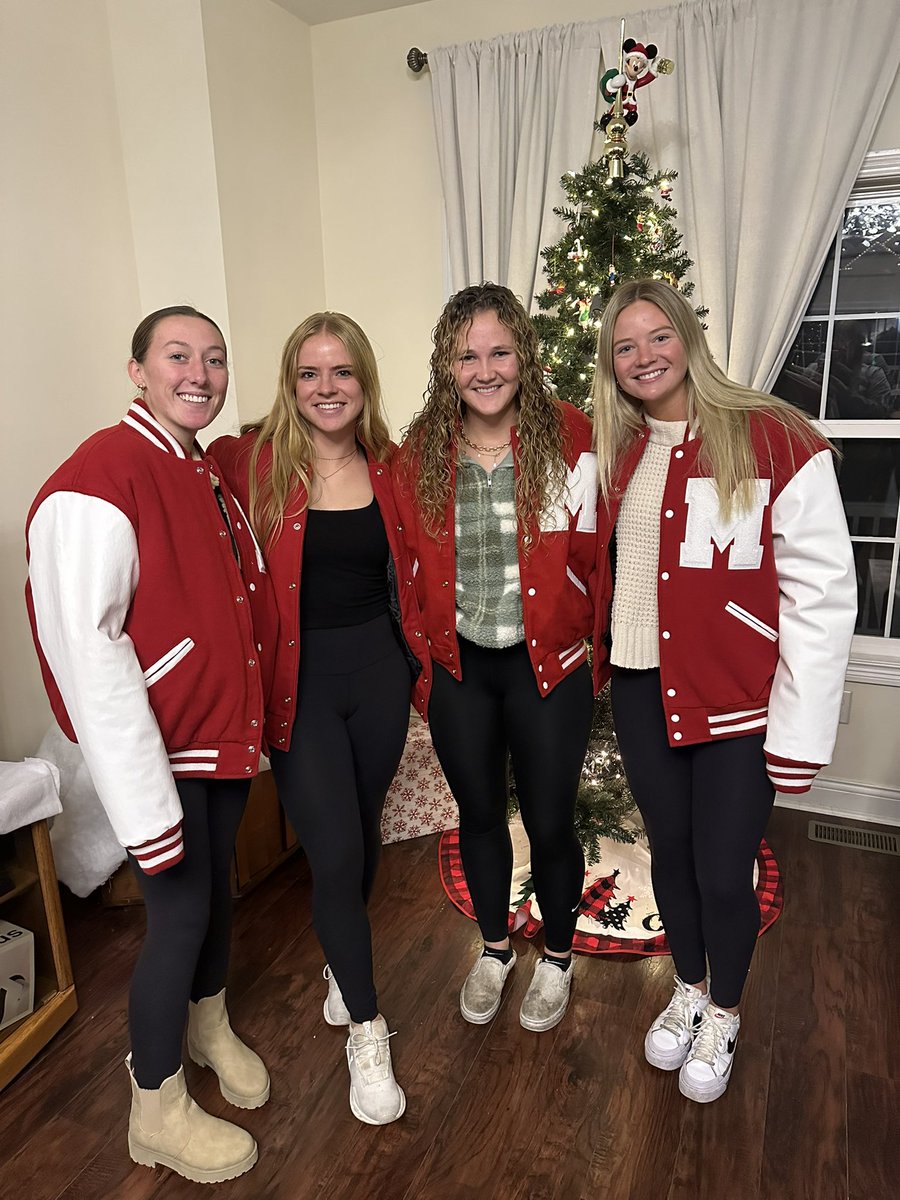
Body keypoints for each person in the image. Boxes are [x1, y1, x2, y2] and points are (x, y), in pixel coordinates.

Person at [590, 279, 857, 1103]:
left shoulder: (773, 438)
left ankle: (726, 1012)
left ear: (689, 338)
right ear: (610, 363)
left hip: (738, 705)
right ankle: (689, 988)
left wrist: (799, 734)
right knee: (669, 858)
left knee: (721, 868)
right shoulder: (620, 450)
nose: (644, 357)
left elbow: (821, 596)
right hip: (642, 691)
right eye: (625, 346)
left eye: (658, 336)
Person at [26, 306, 276, 1184]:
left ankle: (207, 1024)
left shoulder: (198, 468)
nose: (198, 374)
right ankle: (156, 1107)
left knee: (214, 901)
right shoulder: (102, 474)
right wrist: (143, 807)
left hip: (215, 737)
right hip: (161, 751)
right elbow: (87, 654)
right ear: (137, 370)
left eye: (214, 358)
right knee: (176, 917)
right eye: (178, 356)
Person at [209, 313, 428, 1127]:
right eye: (310, 373)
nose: (326, 388)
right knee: (332, 852)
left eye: (342, 372)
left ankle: (343, 965)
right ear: (290, 383)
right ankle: (367, 1033)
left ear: (363, 380)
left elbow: (424, 570)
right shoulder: (247, 462)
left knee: (361, 838)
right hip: (298, 688)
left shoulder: (395, 467)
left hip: (379, 680)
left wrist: (420, 668)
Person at [393, 283, 597, 1034]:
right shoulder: (420, 451)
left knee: (550, 821)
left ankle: (559, 958)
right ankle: (494, 949)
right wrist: (423, 659)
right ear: (447, 366)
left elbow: (599, 548)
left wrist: (593, 639)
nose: (485, 370)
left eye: (500, 352)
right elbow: (403, 564)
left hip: (550, 668)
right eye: (467, 356)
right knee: (478, 817)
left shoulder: (572, 436)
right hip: (461, 671)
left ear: (524, 356)